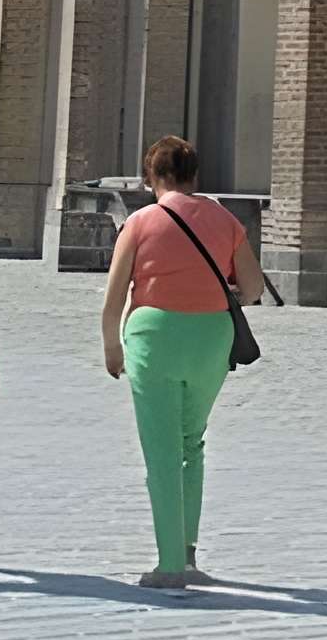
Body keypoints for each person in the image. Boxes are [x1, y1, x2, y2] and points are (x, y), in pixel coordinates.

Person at [101, 135, 262, 590]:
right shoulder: (224, 219)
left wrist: (112, 346)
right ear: (193, 176)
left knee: (162, 451)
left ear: (153, 176)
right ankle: (188, 554)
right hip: (211, 337)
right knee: (192, 443)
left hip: (155, 337)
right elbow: (250, 289)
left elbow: (115, 296)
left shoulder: (139, 222)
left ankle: (169, 565)